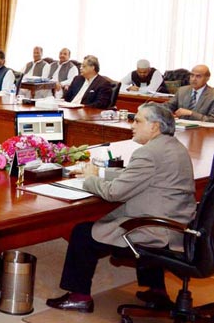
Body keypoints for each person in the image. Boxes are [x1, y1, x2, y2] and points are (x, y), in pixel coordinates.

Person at [46, 103, 195, 313]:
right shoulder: (175, 147)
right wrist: (101, 174)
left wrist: (89, 179)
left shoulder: (148, 153)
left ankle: (79, 297)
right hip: (176, 225)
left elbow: (114, 193)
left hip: (155, 229)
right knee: (125, 220)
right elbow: (142, 177)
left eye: (138, 120)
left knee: (82, 233)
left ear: (155, 127)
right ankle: (157, 292)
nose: (132, 125)